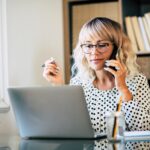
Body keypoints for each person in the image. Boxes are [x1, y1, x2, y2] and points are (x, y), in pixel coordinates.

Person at [43, 17, 150, 149]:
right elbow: (68, 129)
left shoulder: (138, 81)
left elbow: (143, 129)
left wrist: (123, 88)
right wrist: (58, 86)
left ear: (117, 48)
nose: (94, 52)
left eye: (102, 45)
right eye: (88, 45)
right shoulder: (78, 84)